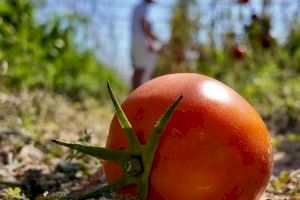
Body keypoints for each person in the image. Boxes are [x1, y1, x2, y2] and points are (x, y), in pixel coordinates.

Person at [131, 0, 162, 90]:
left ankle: (135, 94)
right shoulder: (143, 7)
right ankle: (137, 94)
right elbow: (145, 24)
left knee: (139, 69)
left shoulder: (138, 7)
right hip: (141, 42)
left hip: (137, 41)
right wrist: (151, 40)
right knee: (142, 69)